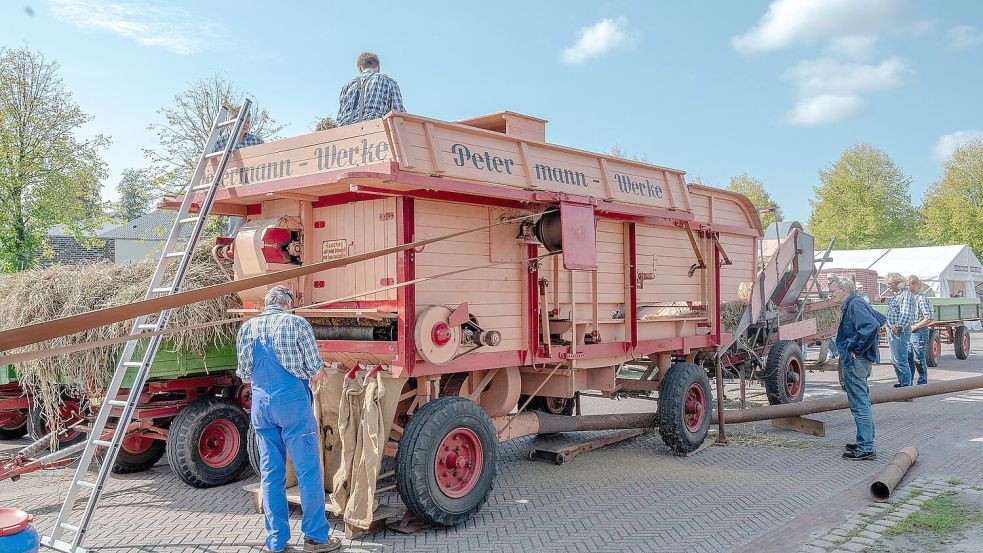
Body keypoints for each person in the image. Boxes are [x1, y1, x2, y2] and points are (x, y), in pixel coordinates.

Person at [236, 286, 341, 553]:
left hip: (261, 404)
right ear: (288, 304)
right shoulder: (296, 324)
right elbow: (316, 370)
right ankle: (316, 537)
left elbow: (244, 375)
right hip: (292, 403)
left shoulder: (247, 328)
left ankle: (276, 541)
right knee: (308, 472)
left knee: (271, 474)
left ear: (267, 303)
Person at [830, 278, 887, 461]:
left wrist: (855, 348)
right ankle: (865, 441)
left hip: (857, 361)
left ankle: (866, 447)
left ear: (844, 290)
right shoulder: (856, 303)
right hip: (859, 360)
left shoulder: (855, 304)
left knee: (860, 404)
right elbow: (879, 318)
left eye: (833, 291)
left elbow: (872, 326)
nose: (831, 296)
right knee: (861, 402)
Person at [213, 106, 264, 235]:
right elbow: (210, 165)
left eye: (248, 122)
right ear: (233, 122)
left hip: (253, 188)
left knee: (259, 223)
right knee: (236, 223)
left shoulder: (257, 142)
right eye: (243, 122)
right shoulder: (220, 143)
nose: (246, 125)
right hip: (232, 190)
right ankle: (234, 252)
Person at [337, 52, 405, 126]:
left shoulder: (347, 86)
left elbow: (339, 118)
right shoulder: (388, 81)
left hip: (346, 132)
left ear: (360, 69)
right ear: (378, 67)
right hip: (374, 129)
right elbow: (399, 114)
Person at [883, 272, 917, 388]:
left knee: (901, 360)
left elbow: (905, 314)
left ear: (898, 283)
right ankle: (903, 383)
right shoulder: (899, 294)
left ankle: (906, 388)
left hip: (899, 332)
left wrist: (897, 327)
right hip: (894, 331)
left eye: (890, 283)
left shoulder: (905, 295)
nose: (888, 285)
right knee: (895, 359)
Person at [906, 275, 934, 385]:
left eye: (909, 285)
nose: (907, 287)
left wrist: (916, 326)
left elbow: (929, 317)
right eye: (906, 285)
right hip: (909, 331)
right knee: (909, 357)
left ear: (916, 284)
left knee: (918, 358)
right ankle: (909, 382)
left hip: (919, 332)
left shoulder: (921, 299)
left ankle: (922, 382)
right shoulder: (908, 298)